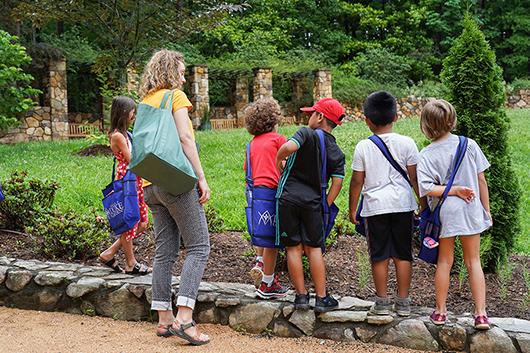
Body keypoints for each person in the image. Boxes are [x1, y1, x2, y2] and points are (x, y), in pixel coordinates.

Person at [139, 49, 211, 345]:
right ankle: (184, 317)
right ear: (170, 73)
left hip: (149, 182)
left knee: (164, 250)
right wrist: (201, 177)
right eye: (180, 71)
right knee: (199, 246)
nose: (183, 76)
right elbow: (185, 137)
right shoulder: (175, 97)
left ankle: (164, 318)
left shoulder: (145, 101)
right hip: (173, 179)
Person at [417, 99, 492, 330]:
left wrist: (453, 190)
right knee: (473, 261)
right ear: (452, 120)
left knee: (444, 261)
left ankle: (440, 312)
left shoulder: (427, 154)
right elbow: (481, 180)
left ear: (427, 125)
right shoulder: (469, 145)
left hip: (445, 211)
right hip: (471, 208)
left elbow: (427, 188)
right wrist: (486, 211)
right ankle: (480, 315)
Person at [349, 91, 424, 317]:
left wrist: (353, 209)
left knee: (379, 254)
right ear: (396, 117)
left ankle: (382, 302)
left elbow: (356, 181)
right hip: (403, 206)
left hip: (375, 208)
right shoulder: (407, 143)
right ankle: (403, 302)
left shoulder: (363, 146)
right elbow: (415, 178)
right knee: (403, 253)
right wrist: (423, 203)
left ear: (367, 120)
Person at [275, 97, 345, 313]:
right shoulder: (336, 150)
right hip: (314, 202)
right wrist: (326, 202)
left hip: (288, 198)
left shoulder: (305, 133)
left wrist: (280, 159)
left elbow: (288, 147)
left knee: (293, 248)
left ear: (320, 117)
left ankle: (301, 297)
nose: (309, 118)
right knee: (314, 248)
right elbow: (338, 181)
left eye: (312, 114)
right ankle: (322, 298)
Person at [99, 96, 150, 275]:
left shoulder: (126, 134)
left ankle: (110, 252)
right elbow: (132, 159)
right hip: (127, 182)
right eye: (132, 112)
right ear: (123, 113)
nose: (134, 115)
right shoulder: (118, 136)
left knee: (143, 224)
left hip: (135, 180)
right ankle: (130, 263)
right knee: (129, 222)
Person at [243, 98, 288, 298]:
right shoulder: (279, 140)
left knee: (262, 231)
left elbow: (248, 170)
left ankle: (260, 261)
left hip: (254, 191)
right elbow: (287, 165)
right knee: (273, 240)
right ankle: (268, 283)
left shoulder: (251, 144)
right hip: (273, 191)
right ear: (274, 119)